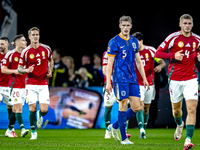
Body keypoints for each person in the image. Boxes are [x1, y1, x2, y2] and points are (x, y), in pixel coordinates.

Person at [155, 14, 200, 150]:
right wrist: (172, 55)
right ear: (180, 24)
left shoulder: (197, 39)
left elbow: (198, 51)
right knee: (176, 111)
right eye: (185, 23)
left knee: (192, 109)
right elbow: (157, 53)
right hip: (175, 79)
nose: (187, 26)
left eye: (189, 23)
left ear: (192, 24)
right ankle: (179, 124)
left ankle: (188, 140)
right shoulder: (173, 38)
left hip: (191, 78)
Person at [106, 15, 149, 144]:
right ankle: (124, 138)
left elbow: (139, 62)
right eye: (123, 25)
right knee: (123, 104)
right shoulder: (114, 41)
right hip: (120, 78)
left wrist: (144, 78)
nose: (125, 28)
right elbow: (109, 63)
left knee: (137, 107)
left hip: (133, 79)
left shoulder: (134, 41)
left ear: (131, 26)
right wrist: (109, 82)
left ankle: (114, 126)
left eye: (127, 25)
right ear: (120, 26)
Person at [18, 27, 54, 140]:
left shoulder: (46, 49)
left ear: (39, 36)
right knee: (31, 107)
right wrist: (26, 70)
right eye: (33, 35)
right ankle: (34, 132)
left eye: (37, 34)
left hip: (43, 83)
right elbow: (19, 68)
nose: (35, 36)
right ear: (29, 37)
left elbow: (51, 60)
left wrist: (50, 70)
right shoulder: (25, 51)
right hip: (31, 83)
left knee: (44, 110)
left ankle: (40, 115)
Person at [132, 32, 166, 139]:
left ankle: (144, 129)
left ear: (141, 41)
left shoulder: (150, 50)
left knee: (146, 108)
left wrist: (160, 66)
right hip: (137, 83)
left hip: (149, 84)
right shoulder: (131, 52)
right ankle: (141, 128)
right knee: (140, 106)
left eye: (136, 41)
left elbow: (162, 62)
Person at [2, 34, 29, 137]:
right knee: (18, 107)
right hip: (14, 85)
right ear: (17, 43)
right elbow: (3, 69)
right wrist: (15, 71)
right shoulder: (11, 54)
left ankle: (9, 129)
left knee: (15, 109)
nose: (25, 42)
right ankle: (22, 129)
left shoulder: (27, 54)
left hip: (24, 85)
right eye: (23, 41)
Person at [102, 51, 131, 139]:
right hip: (110, 85)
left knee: (124, 107)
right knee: (108, 109)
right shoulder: (107, 53)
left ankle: (124, 131)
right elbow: (104, 70)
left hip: (122, 85)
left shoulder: (125, 52)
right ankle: (108, 130)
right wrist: (113, 79)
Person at [0, 37, 17, 137]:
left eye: (2, 44)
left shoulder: (11, 55)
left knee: (11, 108)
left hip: (9, 86)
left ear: (7, 45)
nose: (0, 46)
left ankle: (11, 129)